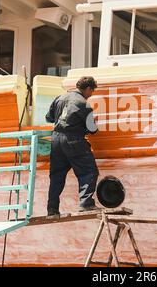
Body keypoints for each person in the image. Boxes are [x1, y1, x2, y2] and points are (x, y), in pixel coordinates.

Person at [45, 76, 100, 218]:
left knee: (57, 175)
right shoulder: (84, 104)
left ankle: (52, 210)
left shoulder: (60, 98)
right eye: (92, 91)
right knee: (89, 171)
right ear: (88, 89)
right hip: (73, 140)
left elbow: (49, 118)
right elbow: (92, 130)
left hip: (56, 140)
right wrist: (93, 123)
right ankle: (86, 204)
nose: (91, 94)